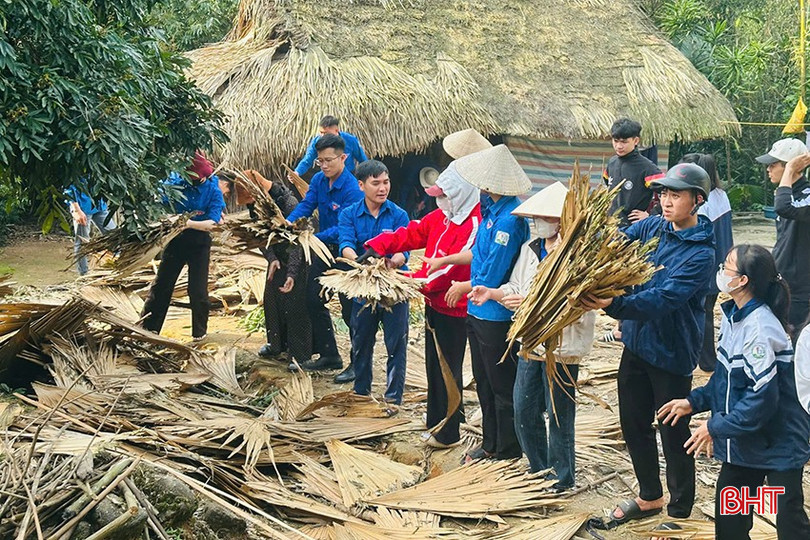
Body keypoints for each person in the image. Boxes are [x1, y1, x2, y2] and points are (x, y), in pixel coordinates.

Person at [580, 163, 714, 526]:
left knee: (673, 433)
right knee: (633, 423)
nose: (666, 201)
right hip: (637, 345)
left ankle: (680, 510)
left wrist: (615, 304)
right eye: (664, 194)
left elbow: (662, 299)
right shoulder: (653, 226)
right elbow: (619, 241)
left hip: (671, 353)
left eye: (676, 195)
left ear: (696, 200)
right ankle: (650, 496)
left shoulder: (701, 254)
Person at [658, 244, 810, 539]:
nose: (720, 271)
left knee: (789, 523)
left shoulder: (760, 329)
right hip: (746, 446)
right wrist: (693, 401)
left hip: (776, 446)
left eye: (726, 266)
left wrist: (715, 427)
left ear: (742, 281)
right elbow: (725, 380)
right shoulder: (734, 317)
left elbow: (762, 400)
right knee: (731, 523)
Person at [468, 182, 596, 490]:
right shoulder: (530, 249)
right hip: (531, 341)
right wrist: (494, 292)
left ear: (562, 219)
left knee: (559, 415)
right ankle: (540, 468)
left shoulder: (577, 255)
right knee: (523, 408)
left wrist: (528, 302)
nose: (538, 223)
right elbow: (516, 287)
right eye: (535, 217)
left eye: (545, 216)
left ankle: (562, 477)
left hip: (563, 345)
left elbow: (576, 301)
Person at [361, 158, 481, 447]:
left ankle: (448, 432)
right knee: (434, 368)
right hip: (433, 304)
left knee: (448, 371)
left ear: (461, 194)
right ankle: (436, 421)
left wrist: (409, 280)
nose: (439, 201)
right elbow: (411, 233)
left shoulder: (474, 223)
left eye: (443, 196)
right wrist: (377, 247)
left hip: (456, 308)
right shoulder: (441, 218)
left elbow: (448, 270)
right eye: (437, 195)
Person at [427, 144, 531, 461]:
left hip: (495, 312)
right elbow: (478, 254)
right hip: (476, 309)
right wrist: (444, 260)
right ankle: (490, 442)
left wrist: (464, 285)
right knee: (483, 381)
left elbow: (495, 271)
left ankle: (508, 447)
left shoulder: (510, 220)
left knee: (500, 383)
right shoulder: (489, 211)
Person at [285, 134, 364, 379]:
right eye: (320, 161)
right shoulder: (319, 180)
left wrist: (315, 237)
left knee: (350, 310)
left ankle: (357, 363)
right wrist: (287, 224)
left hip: (348, 253)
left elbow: (345, 227)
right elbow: (306, 205)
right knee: (313, 299)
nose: (324, 165)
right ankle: (330, 355)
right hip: (323, 250)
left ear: (343, 158)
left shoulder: (353, 189)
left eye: (329, 160)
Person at [337, 160, 410, 403]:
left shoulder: (399, 214)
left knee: (396, 345)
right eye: (375, 183)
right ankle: (361, 393)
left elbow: (405, 248)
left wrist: (394, 261)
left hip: (394, 286)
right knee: (361, 342)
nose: (382, 188)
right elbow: (346, 244)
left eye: (386, 182)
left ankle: (392, 399)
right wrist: (360, 263)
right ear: (361, 185)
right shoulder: (349, 214)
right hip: (363, 286)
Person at [230, 170, 312, 365]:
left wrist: (292, 272)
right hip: (277, 257)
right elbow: (258, 235)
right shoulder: (255, 206)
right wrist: (271, 257)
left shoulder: (288, 204)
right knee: (272, 299)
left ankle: (299, 354)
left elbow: (298, 242)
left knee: (295, 305)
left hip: (299, 257)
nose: (249, 203)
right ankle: (277, 345)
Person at [141, 152, 225, 341]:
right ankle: (148, 329)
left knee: (198, 290)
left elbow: (213, 223)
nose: (199, 180)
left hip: (200, 240)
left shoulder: (213, 188)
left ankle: (199, 334)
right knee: (161, 285)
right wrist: (172, 222)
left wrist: (186, 223)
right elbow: (160, 210)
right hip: (175, 239)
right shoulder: (173, 182)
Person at [600, 118, 662, 343]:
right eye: (615, 141)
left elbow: (665, 195)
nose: (619, 146)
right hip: (613, 231)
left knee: (634, 279)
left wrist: (651, 215)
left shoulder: (648, 168)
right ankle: (621, 326)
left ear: (636, 141)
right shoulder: (612, 165)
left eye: (624, 141)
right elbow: (606, 193)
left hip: (636, 233)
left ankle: (628, 328)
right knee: (617, 280)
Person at [680, 153, 734, 372]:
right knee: (706, 311)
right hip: (721, 260)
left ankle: (706, 360)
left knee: (701, 313)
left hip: (706, 264)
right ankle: (707, 360)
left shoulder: (704, 202)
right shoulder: (721, 195)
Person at [756, 139, 810, 337]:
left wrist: (789, 171)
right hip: (782, 278)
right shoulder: (786, 192)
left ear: (792, 166)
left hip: (800, 286)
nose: (768, 169)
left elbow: (784, 208)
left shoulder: (805, 194)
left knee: (796, 339)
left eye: (773, 164)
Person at [65, 180, 116, 276]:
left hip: (100, 206)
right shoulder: (76, 168)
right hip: (82, 209)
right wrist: (76, 209)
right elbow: (68, 188)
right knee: (82, 243)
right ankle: (84, 275)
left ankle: (119, 267)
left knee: (114, 235)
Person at [293, 115, 367, 176]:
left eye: (326, 133)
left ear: (336, 131)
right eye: (321, 132)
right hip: (327, 177)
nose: (322, 136)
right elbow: (307, 160)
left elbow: (363, 160)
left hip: (348, 176)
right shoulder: (317, 141)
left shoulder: (350, 140)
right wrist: (297, 172)